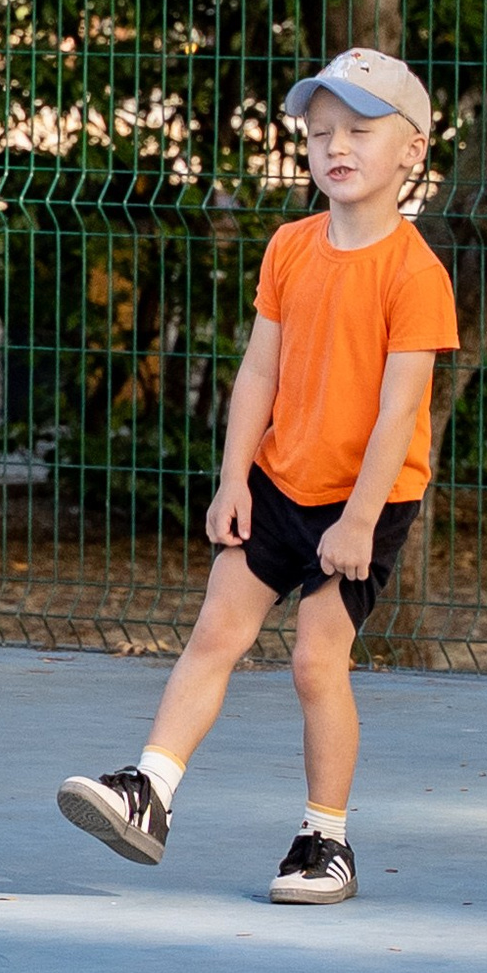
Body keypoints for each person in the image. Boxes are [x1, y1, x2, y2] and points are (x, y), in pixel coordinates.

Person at [55, 46, 457, 907]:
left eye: (359, 130)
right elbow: (259, 374)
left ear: (413, 151)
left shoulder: (417, 275)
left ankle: (327, 840)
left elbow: (398, 414)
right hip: (277, 482)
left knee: (318, 663)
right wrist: (234, 477)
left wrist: (354, 521)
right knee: (215, 632)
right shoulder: (289, 246)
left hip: (367, 500)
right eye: (319, 134)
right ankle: (149, 792)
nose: (335, 147)